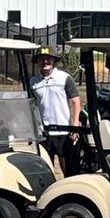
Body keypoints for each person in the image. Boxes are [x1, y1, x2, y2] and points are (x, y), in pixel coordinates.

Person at [30, 47, 81, 175]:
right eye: (41, 59)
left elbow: (76, 102)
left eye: (48, 59)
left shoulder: (64, 78)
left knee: (67, 168)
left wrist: (75, 126)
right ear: (37, 62)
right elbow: (31, 106)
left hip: (63, 130)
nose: (45, 62)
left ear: (53, 61)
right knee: (46, 168)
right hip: (44, 131)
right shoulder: (33, 82)